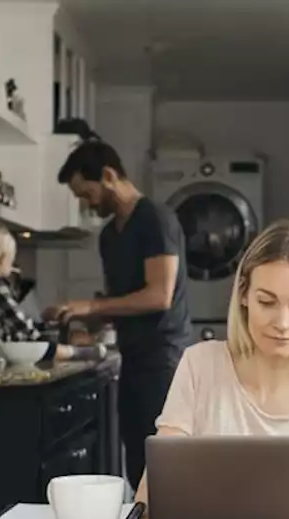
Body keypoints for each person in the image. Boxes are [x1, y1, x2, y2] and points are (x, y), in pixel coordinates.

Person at [136, 220, 289, 516]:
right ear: (243, 294)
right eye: (267, 302)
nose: (282, 323)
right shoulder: (200, 366)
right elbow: (154, 492)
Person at [44, 140, 193, 490]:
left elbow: (159, 296)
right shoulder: (109, 236)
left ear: (109, 175)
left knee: (165, 467)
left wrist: (93, 306)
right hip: (132, 358)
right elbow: (124, 301)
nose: (86, 204)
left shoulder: (155, 219)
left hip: (164, 361)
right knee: (138, 464)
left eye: (87, 193)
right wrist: (84, 317)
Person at [0, 222, 76, 364]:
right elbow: (19, 322)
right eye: (11, 261)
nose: (13, 267)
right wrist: (43, 341)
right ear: (1, 260)